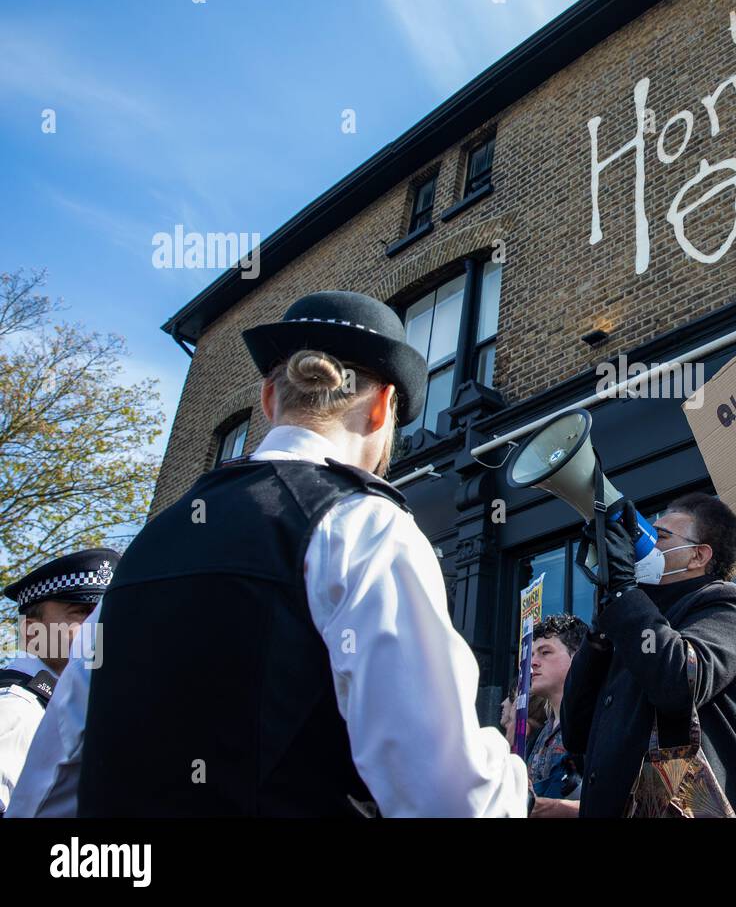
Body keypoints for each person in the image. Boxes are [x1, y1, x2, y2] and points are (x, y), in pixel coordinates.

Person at [76, 290, 528, 816]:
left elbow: (55, 772)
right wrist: (511, 774)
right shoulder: (367, 526)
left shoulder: (146, 545)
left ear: (269, 400)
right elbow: (449, 797)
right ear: (383, 407)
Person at [561, 492, 736, 817]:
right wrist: (602, 628)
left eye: (661, 537)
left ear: (698, 555)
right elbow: (576, 733)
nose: (647, 545)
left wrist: (625, 593)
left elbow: (679, 683)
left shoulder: (729, 607)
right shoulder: (637, 615)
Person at [0, 549, 116, 814]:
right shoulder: (14, 709)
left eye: (102, 614)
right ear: (31, 632)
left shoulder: (59, 704)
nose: (97, 627)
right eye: (81, 612)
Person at [527, 614, 589, 817]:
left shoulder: (598, 724)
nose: (532, 663)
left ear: (578, 657)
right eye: (531, 654)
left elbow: (623, 805)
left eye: (545, 652)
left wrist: (553, 808)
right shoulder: (540, 733)